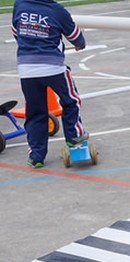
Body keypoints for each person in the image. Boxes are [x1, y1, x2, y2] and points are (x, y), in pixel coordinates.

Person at [11, 0, 90, 169]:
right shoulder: (56, 10)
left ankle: (36, 154)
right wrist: (80, 45)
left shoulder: (19, 5)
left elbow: (16, 31)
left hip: (26, 69)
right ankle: (74, 137)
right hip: (53, 67)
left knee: (35, 110)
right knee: (71, 101)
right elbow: (75, 36)